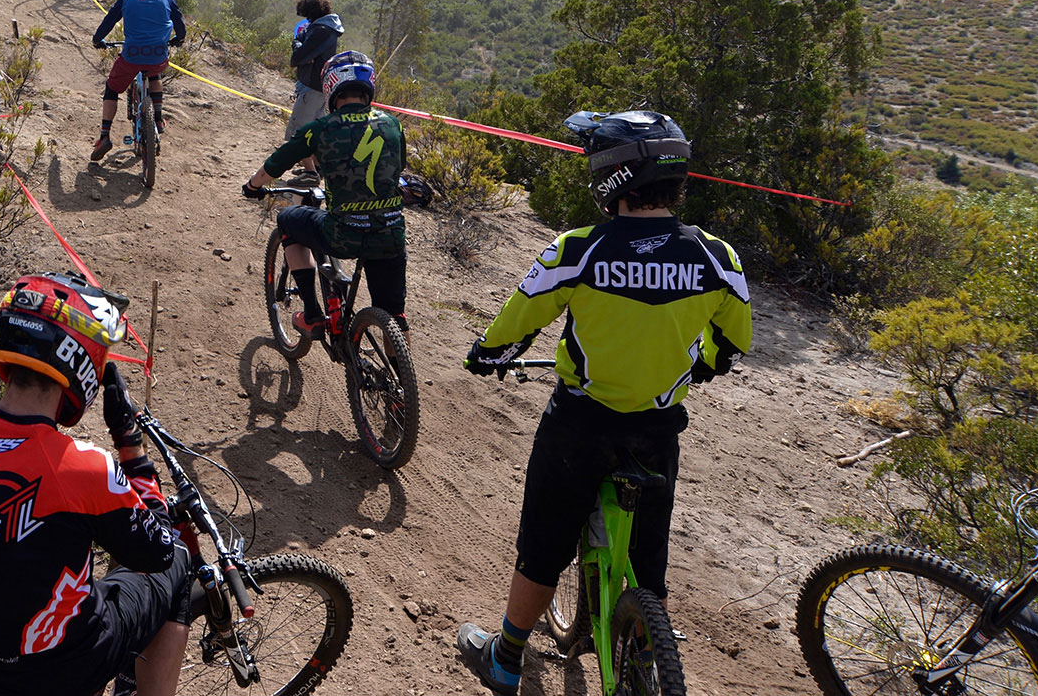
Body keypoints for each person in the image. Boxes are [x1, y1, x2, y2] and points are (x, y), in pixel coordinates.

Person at [455, 110, 753, 695]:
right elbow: (730, 345)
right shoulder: (718, 258)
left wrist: (487, 355)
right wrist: (699, 366)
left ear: (612, 177)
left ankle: (507, 657)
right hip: (657, 428)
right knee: (648, 560)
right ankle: (641, 643)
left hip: (580, 425)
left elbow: (516, 323)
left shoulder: (578, 250)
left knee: (543, 546)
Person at [0, 272, 191, 696]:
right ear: (83, 362)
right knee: (177, 561)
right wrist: (129, 443)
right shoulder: (85, 467)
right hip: (65, 667)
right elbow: (154, 547)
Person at [240, 51, 417, 333]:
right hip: (390, 235)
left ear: (331, 86)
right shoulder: (392, 124)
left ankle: (311, 314)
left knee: (288, 220)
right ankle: (399, 376)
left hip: (343, 235)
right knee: (394, 317)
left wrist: (253, 186)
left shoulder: (320, 129)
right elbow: (398, 166)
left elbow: (276, 164)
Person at [88, 0, 186, 163]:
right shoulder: (167, 0)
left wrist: (98, 41)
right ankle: (158, 120)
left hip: (131, 56)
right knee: (155, 73)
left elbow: (107, 23)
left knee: (112, 89)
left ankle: (104, 136)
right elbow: (181, 30)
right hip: (158, 56)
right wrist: (178, 40)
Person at [285, 0, 345, 172]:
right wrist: (300, 48)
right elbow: (300, 50)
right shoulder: (323, 27)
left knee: (300, 133)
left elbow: (296, 58)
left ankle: (311, 173)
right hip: (318, 88)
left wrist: (298, 47)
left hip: (311, 88)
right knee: (316, 133)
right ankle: (317, 169)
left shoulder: (321, 31)